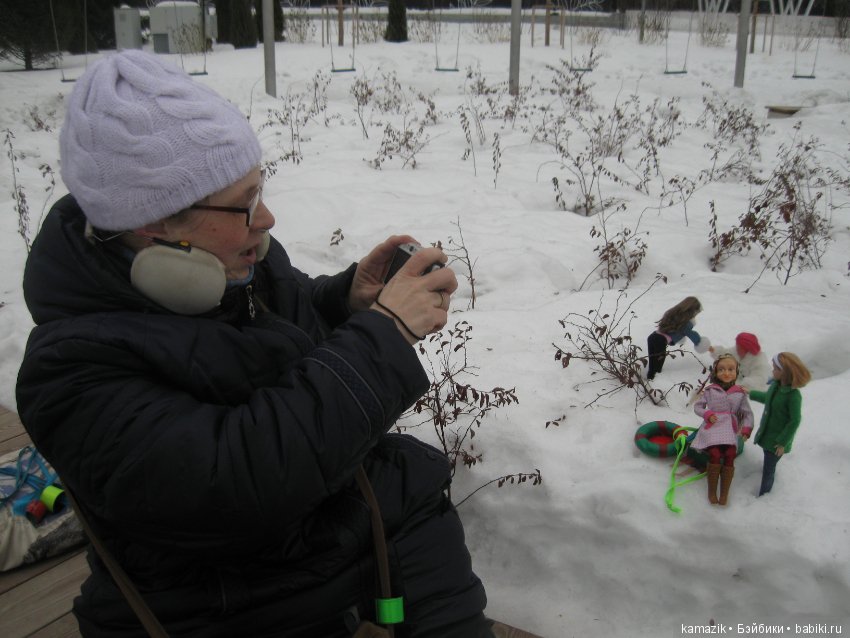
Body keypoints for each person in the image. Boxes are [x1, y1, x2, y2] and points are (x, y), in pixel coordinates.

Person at [15, 50, 493, 637]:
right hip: (214, 600)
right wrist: (384, 338)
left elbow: (284, 337)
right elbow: (232, 487)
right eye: (242, 204)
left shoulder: (237, 268)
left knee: (412, 486)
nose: (265, 218)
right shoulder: (68, 372)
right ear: (154, 226)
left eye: (260, 190)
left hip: (300, 552)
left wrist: (346, 303)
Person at [690, 354, 754, 506]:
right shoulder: (710, 390)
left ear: (736, 372)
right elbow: (698, 406)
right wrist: (707, 414)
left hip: (730, 428)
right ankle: (712, 491)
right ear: (716, 372)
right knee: (715, 453)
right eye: (722, 370)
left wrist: (746, 428)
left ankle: (724, 493)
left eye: (731, 369)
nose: (726, 373)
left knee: (730, 453)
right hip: (713, 427)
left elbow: (747, 413)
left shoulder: (739, 393)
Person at [747, 352, 811, 497]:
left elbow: (795, 420)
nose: (772, 371)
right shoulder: (775, 386)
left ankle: (765, 493)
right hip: (767, 434)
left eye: (775, 368)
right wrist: (750, 393)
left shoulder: (793, 396)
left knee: (769, 469)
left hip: (777, 442)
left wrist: (782, 442)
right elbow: (768, 399)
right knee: (767, 460)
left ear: (785, 373)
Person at [646, 296, 711, 380]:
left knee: (652, 362)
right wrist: (700, 342)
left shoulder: (672, 314)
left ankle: (649, 379)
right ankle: (654, 382)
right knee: (658, 365)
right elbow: (691, 334)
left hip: (652, 337)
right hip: (660, 341)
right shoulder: (686, 323)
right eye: (696, 313)